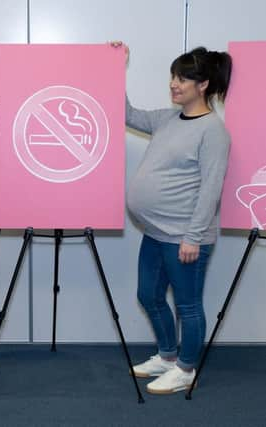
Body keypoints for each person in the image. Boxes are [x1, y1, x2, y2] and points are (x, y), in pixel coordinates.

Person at [117, 42, 232, 394]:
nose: (174, 84)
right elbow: (127, 114)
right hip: (155, 232)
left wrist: (193, 237)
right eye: (173, 76)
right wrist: (115, 67)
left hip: (185, 236)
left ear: (203, 85)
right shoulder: (167, 118)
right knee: (148, 295)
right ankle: (167, 356)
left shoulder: (213, 131)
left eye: (183, 78)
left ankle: (185, 368)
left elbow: (211, 189)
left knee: (188, 305)